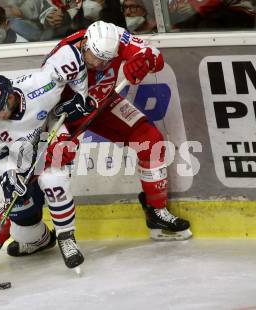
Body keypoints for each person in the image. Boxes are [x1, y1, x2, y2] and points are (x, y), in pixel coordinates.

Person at [45, 20, 192, 241]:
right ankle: (32, 232)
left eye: (107, 60)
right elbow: (42, 103)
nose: (100, 65)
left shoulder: (115, 38)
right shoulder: (60, 57)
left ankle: (156, 212)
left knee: (151, 141)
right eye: (95, 58)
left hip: (103, 103)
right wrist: (58, 128)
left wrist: (144, 60)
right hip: (67, 114)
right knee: (47, 168)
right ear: (85, 44)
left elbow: (154, 54)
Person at [0, 71, 87, 271]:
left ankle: (66, 236)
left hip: (49, 142)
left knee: (52, 180)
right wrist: (8, 175)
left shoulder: (40, 85)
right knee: (17, 206)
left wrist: (65, 137)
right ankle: (36, 241)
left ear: (11, 97)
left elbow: (72, 91)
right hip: (17, 157)